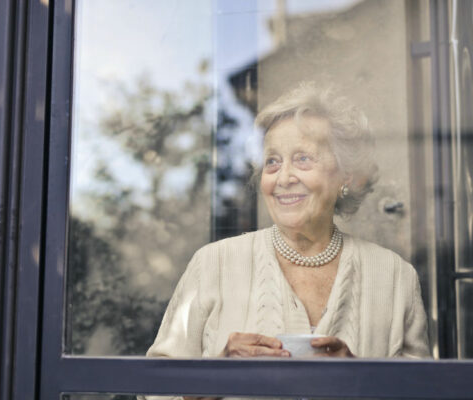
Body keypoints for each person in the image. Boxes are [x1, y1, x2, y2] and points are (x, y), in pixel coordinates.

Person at [146, 82, 430, 361]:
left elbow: (424, 393)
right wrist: (221, 371)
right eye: (272, 162)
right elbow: (156, 391)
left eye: (303, 158)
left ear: (347, 176)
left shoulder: (395, 278)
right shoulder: (212, 265)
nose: (283, 178)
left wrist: (357, 380)